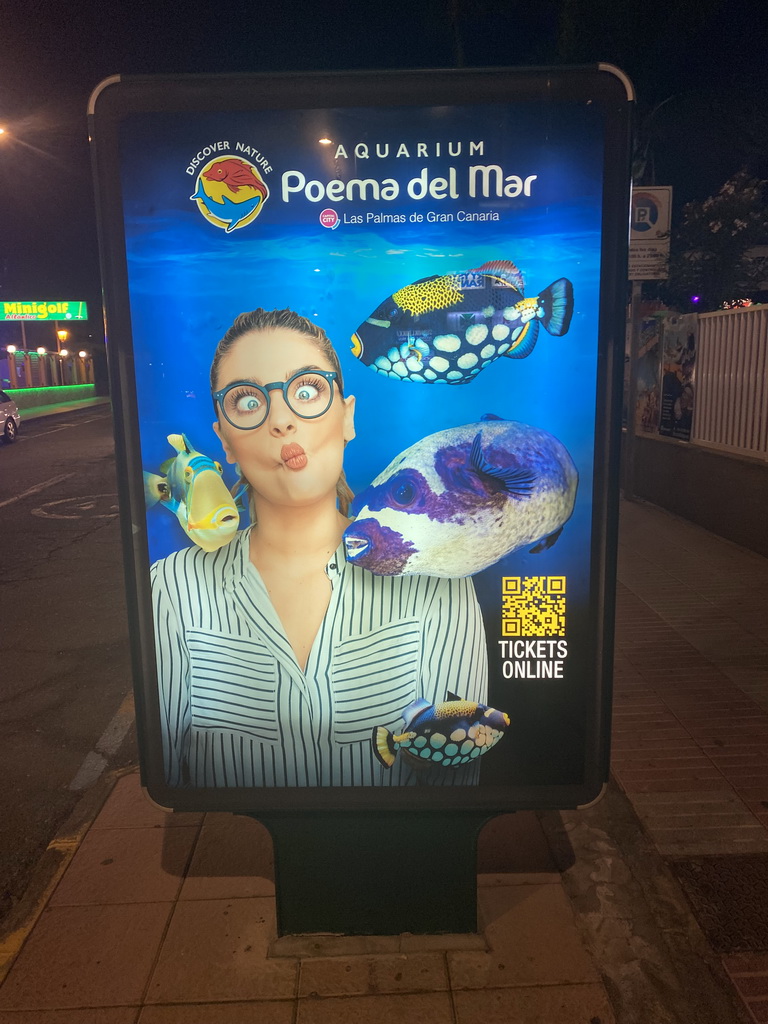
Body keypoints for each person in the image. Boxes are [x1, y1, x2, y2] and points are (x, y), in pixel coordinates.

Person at [151, 308, 488, 788]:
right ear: (224, 440)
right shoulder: (171, 586)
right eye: (248, 402)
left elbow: (455, 772)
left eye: (306, 390)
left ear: (347, 416)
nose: (282, 420)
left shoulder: (435, 582)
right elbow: (167, 772)